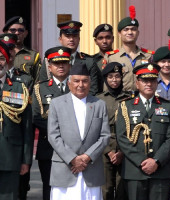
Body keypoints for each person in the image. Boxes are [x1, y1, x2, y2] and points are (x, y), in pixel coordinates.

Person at [48, 63, 110, 200]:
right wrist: (73, 159)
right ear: (69, 83)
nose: (80, 85)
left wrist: (87, 157)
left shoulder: (99, 105)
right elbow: (53, 136)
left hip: (91, 169)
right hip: (65, 169)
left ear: (90, 83)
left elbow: (105, 136)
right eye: (76, 81)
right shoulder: (56, 104)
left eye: (84, 81)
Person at [116, 63, 170, 200]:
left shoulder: (167, 106)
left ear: (157, 83)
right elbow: (122, 137)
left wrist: (156, 161)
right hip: (135, 170)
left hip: (160, 170)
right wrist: (142, 161)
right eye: (144, 80)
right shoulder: (126, 106)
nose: (149, 84)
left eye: (152, 80)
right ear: (137, 83)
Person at [32, 46, 72, 200]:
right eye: (56, 63)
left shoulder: (77, 87)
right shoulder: (39, 89)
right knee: (50, 188)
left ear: (69, 65)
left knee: (72, 189)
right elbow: (36, 117)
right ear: (49, 67)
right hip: (48, 147)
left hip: (74, 148)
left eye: (64, 63)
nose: (61, 66)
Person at [0, 40, 33, 200]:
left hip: (11, 157)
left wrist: (26, 160)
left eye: (1, 58)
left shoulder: (19, 88)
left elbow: (26, 128)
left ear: (7, 60)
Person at [97, 62, 130, 200]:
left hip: (125, 146)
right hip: (105, 146)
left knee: (123, 188)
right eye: (110, 77)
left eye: (117, 76)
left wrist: (122, 152)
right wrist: (109, 151)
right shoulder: (98, 99)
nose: (114, 80)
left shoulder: (130, 98)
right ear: (105, 78)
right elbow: (95, 128)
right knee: (106, 189)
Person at [39, 20, 99, 95]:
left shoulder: (89, 62)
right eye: (67, 36)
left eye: (74, 36)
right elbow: (43, 87)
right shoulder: (48, 61)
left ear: (79, 39)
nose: (71, 40)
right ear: (60, 39)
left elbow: (93, 90)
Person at [103, 5, 154, 91]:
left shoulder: (148, 56)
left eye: (133, 29)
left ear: (138, 33)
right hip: (120, 99)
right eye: (126, 29)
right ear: (119, 34)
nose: (130, 32)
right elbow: (106, 85)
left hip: (141, 99)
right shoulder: (111, 57)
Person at [3, 16, 41, 84]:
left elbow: (38, 82)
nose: (17, 33)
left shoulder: (33, 56)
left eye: (21, 30)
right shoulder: (1, 53)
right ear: (6, 32)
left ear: (26, 33)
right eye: (13, 30)